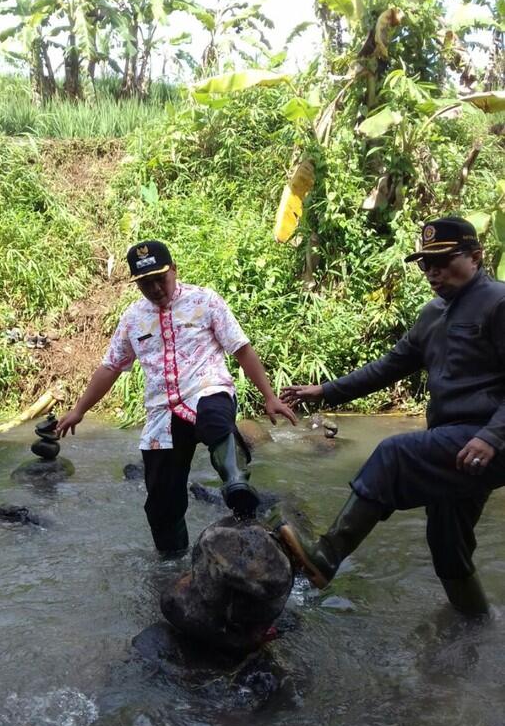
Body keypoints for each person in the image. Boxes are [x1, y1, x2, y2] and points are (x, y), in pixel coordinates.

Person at [277, 216, 505, 616]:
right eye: (424, 263)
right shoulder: (432, 314)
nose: (432, 271)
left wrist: (491, 436)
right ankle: (474, 630)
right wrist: (324, 391)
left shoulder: (499, 302)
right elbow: (386, 368)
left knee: (395, 454)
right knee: (448, 544)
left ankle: (326, 557)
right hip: (453, 444)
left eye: (442, 260)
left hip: (490, 438)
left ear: (475, 256)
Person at [57, 240, 296, 553]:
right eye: (146, 283)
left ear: (174, 270)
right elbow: (110, 367)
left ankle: (236, 483)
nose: (155, 288)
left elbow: (240, 347)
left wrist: (269, 396)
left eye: (161, 279)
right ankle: (173, 563)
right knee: (161, 505)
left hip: (207, 389)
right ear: (136, 283)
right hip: (162, 413)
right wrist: (79, 410)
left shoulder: (204, 301)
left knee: (214, 417)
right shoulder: (132, 319)